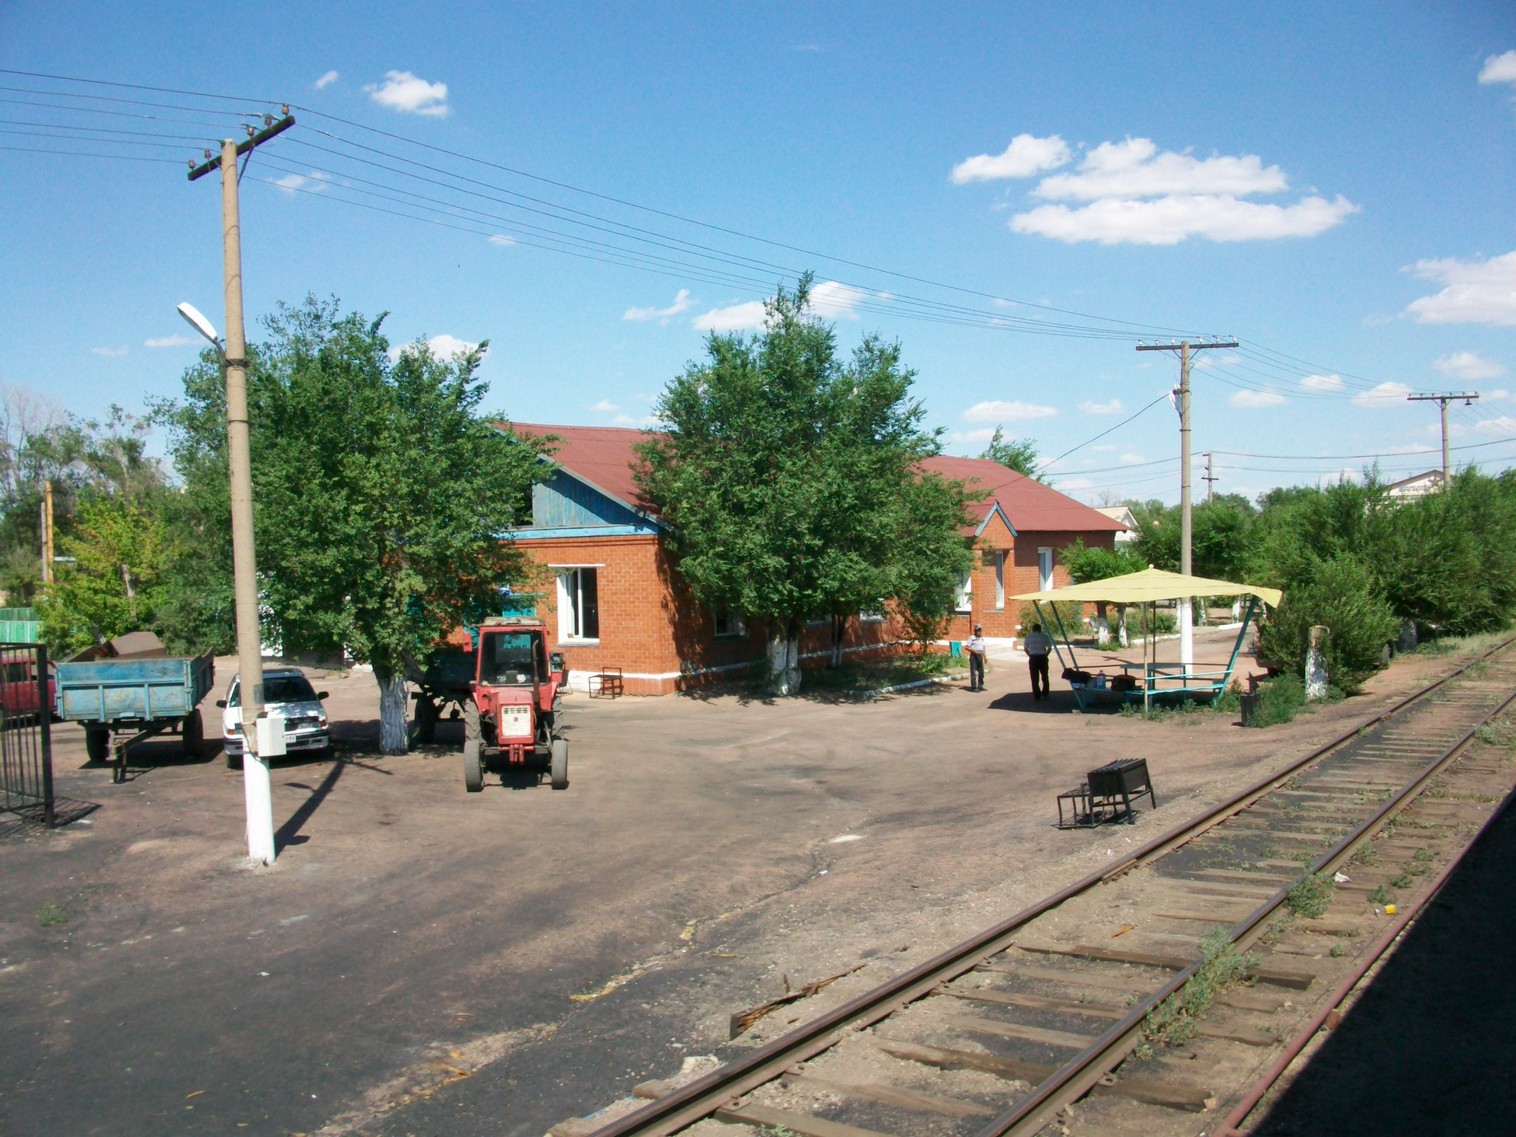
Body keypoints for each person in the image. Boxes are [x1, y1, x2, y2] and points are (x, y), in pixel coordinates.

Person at [1023, 622, 1054, 700]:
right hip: (1043, 657)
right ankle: (1045, 692)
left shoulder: (1029, 637)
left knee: (1034, 677)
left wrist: (1029, 655)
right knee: (1045, 676)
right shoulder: (1044, 636)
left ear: (1032, 629)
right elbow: (1050, 647)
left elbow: (1025, 648)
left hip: (1033, 657)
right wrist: (1046, 655)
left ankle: (1036, 694)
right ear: (1040, 629)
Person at [965, 625, 986, 691]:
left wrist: (985, 657)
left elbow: (983, 648)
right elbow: (967, 647)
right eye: (977, 630)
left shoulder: (982, 638)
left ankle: (980, 686)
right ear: (975, 631)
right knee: (973, 672)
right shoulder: (972, 637)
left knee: (981, 672)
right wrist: (974, 651)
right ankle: (974, 687)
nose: (979, 632)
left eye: (980, 630)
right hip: (974, 656)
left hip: (980, 656)